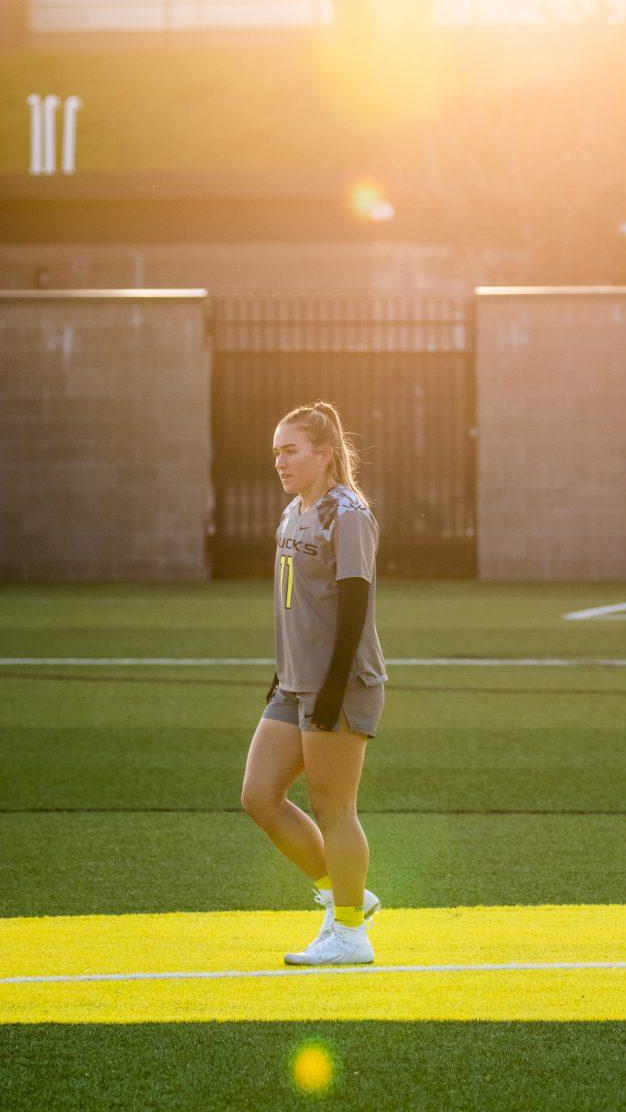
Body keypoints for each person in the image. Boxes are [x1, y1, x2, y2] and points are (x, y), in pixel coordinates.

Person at [241, 400, 388, 966]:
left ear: (324, 455)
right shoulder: (293, 510)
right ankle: (345, 891)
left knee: (334, 808)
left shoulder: (346, 512)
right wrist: (285, 673)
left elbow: (355, 602)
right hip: (294, 684)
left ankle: (350, 933)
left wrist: (330, 690)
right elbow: (298, 604)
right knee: (259, 795)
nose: (279, 461)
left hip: (340, 684)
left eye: (290, 450)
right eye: (276, 451)